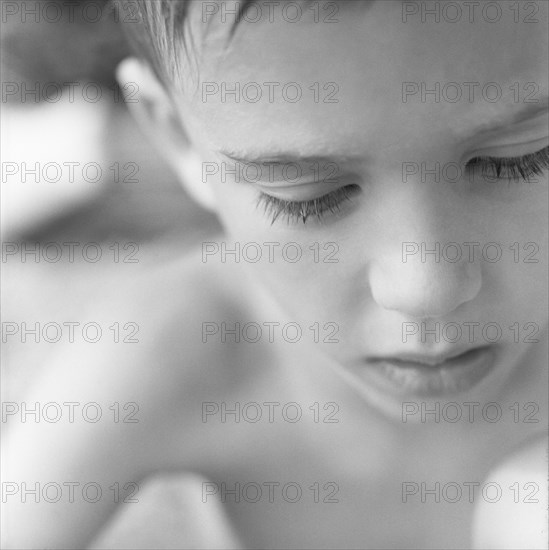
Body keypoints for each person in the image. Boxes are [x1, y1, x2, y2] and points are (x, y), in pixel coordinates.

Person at [3, 1, 548, 548]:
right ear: (178, 137)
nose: (426, 287)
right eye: (310, 198)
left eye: (520, 159)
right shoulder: (184, 346)